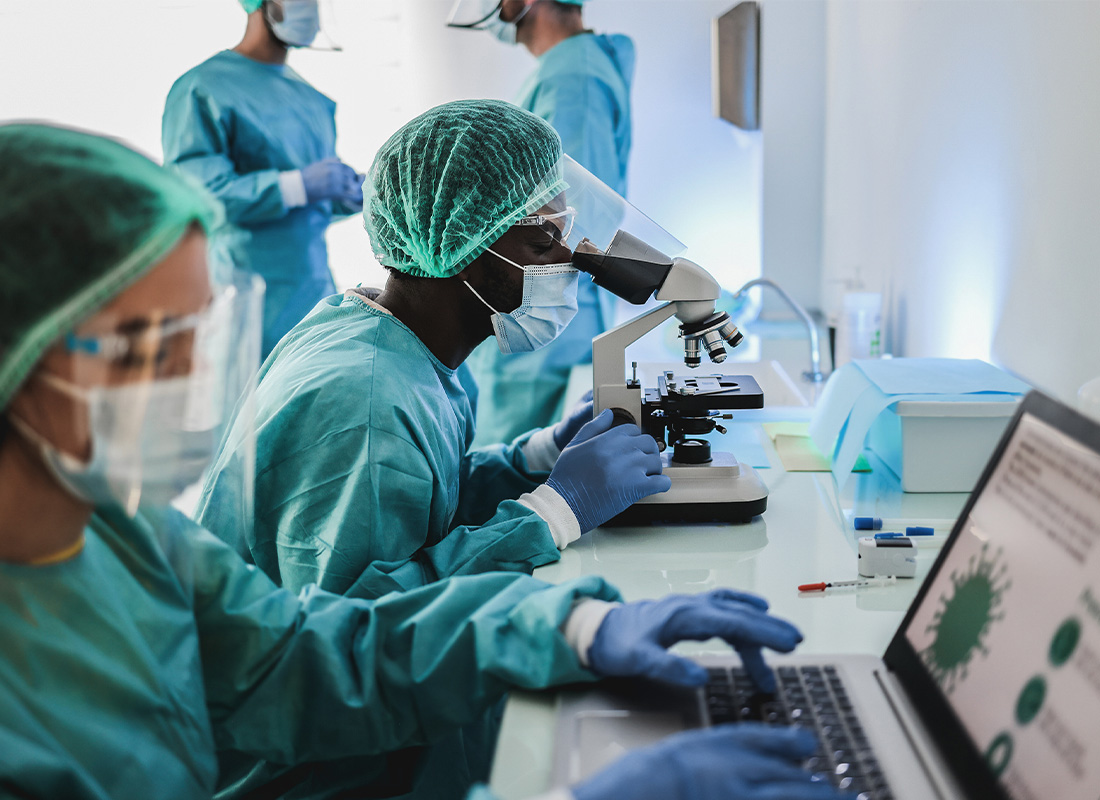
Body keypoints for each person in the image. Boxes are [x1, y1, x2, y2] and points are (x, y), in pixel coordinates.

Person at [0, 123, 846, 800]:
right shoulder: (360, 397)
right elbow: (350, 594)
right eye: (148, 347)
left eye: (197, 336)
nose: (190, 382)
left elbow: (306, 652)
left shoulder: (114, 532)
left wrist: (571, 625)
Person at [196, 99, 670, 605]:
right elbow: (365, 620)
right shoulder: (367, 402)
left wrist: (542, 453)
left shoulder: (390, 337)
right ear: (463, 246)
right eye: (543, 243)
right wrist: (555, 513)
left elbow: (419, 497)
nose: (571, 260)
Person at [448, 0, 635, 446]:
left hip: (543, 319)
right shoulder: (569, 67)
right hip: (541, 312)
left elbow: (568, 220)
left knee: (522, 485)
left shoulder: (573, 78)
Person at [163, 0, 363, 358]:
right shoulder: (202, 88)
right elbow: (197, 198)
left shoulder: (312, 99)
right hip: (241, 297)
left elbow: (308, 206)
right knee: (243, 406)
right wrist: (297, 185)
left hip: (313, 292)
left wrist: (345, 194)